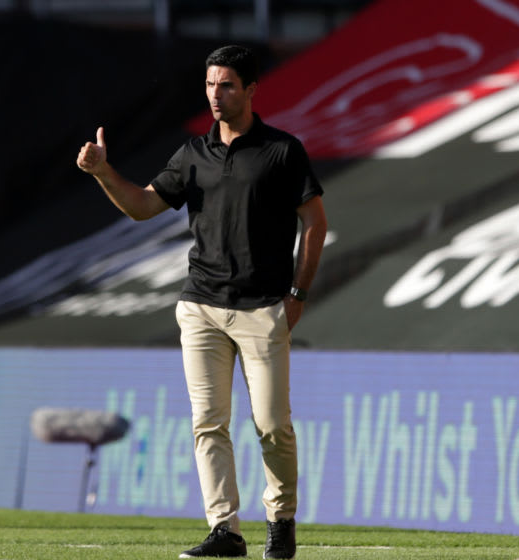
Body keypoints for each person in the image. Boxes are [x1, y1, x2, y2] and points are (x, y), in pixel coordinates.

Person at [76, 45, 327, 559]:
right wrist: (104, 172)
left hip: (263, 308)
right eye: (211, 84)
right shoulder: (192, 154)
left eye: (227, 85)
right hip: (201, 307)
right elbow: (144, 205)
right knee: (208, 423)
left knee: (272, 426)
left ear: (251, 89)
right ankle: (225, 530)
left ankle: (280, 520)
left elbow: (315, 223)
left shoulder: (282, 151)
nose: (216, 94)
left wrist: (298, 294)